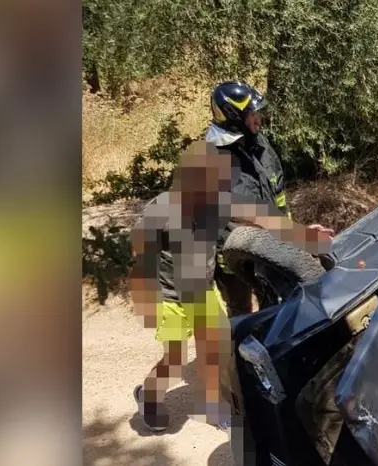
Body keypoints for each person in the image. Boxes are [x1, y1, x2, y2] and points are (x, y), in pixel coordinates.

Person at [129, 140, 332, 433]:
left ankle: (214, 408)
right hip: (170, 296)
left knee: (215, 350)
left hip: (201, 290)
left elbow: (262, 217)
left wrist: (303, 235)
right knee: (174, 361)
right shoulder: (161, 210)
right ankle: (147, 394)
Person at [204, 81, 334, 313]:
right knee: (243, 315)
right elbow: (249, 214)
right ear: (234, 118)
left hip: (272, 243)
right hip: (235, 257)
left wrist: (295, 231)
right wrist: (299, 236)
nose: (258, 119)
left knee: (278, 307)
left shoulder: (259, 144)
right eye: (252, 114)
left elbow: (276, 200)